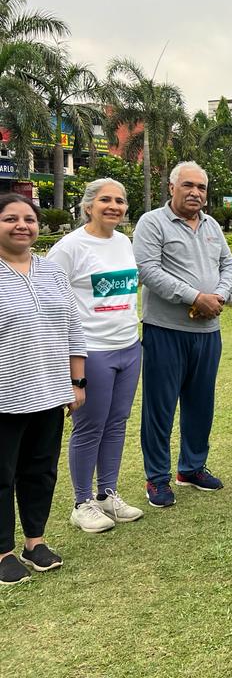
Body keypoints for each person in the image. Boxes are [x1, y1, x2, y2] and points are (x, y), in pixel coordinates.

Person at [133, 162, 232, 508]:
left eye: (202, 187)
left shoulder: (212, 226)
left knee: (201, 402)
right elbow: (148, 270)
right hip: (166, 330)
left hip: (208, 331)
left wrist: (220, 296)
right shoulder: (153, 223)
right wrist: (195, 297)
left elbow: (229, 266)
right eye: (188, 185)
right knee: (160, 407)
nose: (196, 193)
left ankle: (191, 467)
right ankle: (158, 478)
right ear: (171, 187)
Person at [48, 179, 144, 533]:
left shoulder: (123, 242)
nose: (114, 206)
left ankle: (107, 494)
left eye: (120, 200)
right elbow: (51, 302)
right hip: (92, 351)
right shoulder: (69, 247)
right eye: (105, 200)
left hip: (129, 347)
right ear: (88, 206)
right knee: (89, 426)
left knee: (116, 424)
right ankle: (81, 502)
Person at [0, 194, 86, 585]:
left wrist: (76, 381)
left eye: (29, 219)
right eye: (10, 219)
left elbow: (73, 327)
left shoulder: (51, 272)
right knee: (2, 474)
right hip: (5, 395)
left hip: (49, 391)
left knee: (40, 471)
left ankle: (35, 541)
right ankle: (3, 550)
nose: (22, 225)